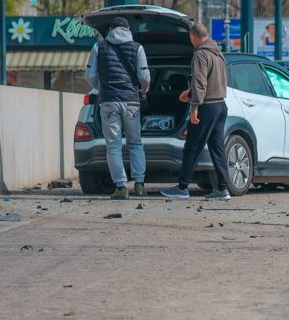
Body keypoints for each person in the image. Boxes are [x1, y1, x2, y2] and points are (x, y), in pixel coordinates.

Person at [160, 23, 231, 200]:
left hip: (206, 106)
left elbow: (201, 82)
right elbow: (211, 81)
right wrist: (190, 92)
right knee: (218, 148)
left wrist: (194, 108)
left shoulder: (200, 54)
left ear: (193, 37)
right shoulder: (218, 53)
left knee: (192, 146)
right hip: (220, 105)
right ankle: (222, 189)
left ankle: (183, 187)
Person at [85, 16, 151, 199]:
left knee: (113, 146)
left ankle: (121, 187)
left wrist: (103, 88)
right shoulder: (138, 47)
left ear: (111, 29)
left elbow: (89, 75)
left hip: (108, 101)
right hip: (131, 101)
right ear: (128, 29)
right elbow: (144, 77)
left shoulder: (99, 46)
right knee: (135, 143)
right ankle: (139, 184)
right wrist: (143, 89)